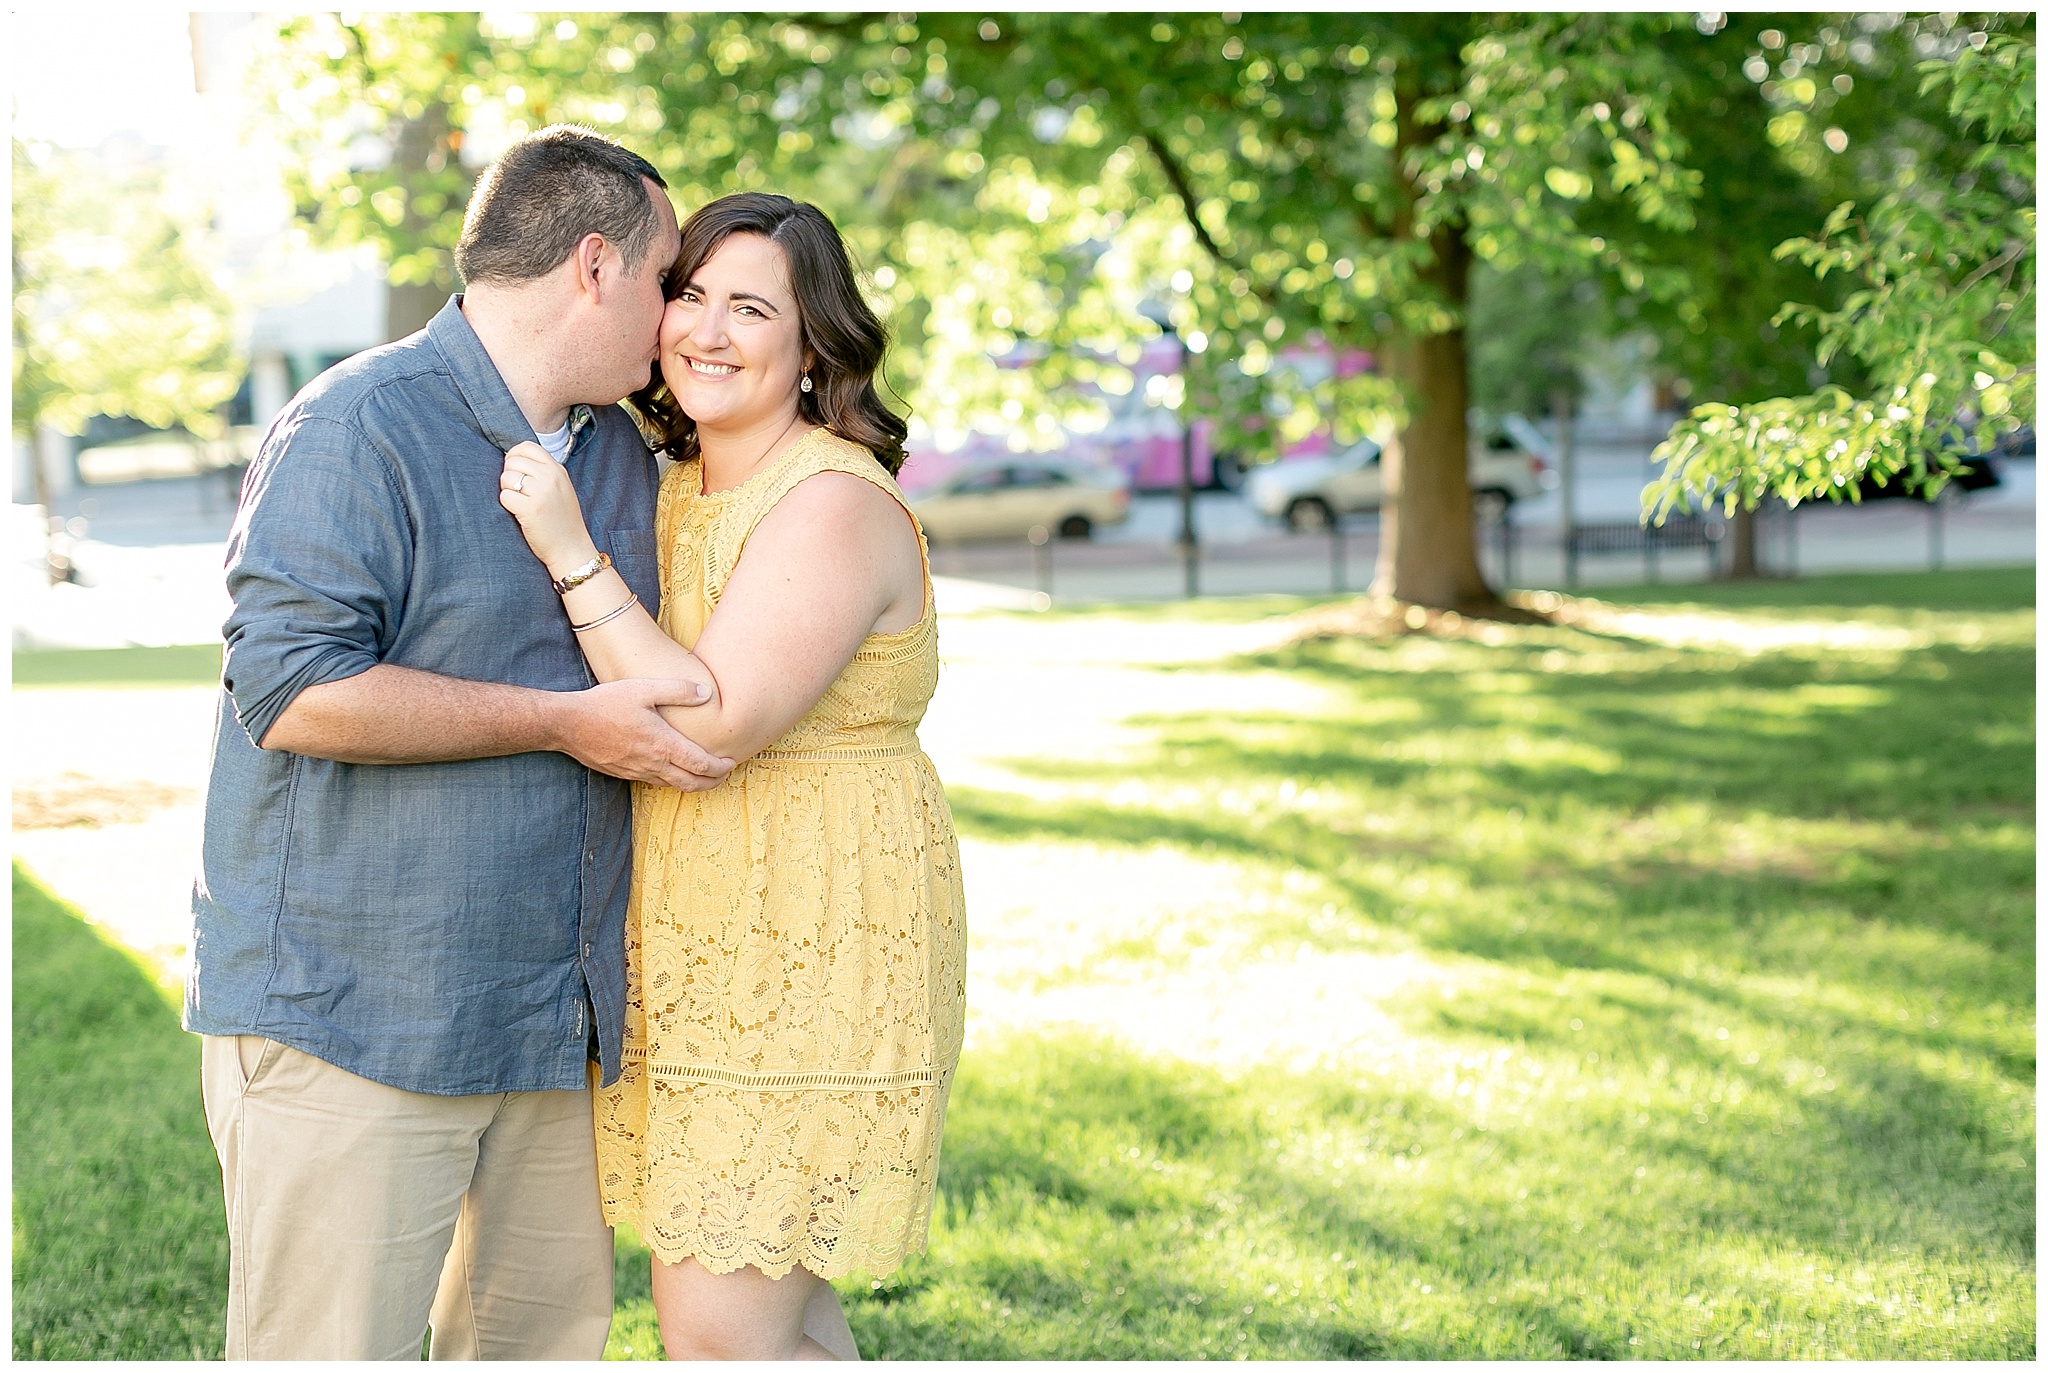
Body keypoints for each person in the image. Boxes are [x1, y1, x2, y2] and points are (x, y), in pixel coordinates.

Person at [184, 125, 733, 1361]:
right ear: (594, 265)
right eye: (664, 279)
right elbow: (287, 690)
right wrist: (559, 723)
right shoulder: (357, 426)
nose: (673, 316)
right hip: (358, 1011)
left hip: (550, 1019)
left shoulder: (624, 458)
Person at [497, 192, 967, 1360]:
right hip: (693, 929)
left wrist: (567, 552)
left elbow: (707, 725)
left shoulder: (830, 501)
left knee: (720, 1331)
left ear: (814, 347)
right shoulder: (664, 484)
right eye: (689, 293)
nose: (705, 329)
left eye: (749, 306)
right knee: (777, 1315)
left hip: (809, 933)